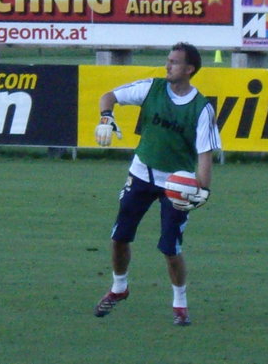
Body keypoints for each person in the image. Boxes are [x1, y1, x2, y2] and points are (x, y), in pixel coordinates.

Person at [93, 42, 221, 326]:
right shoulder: (152, 88)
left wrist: (203, 190)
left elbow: (204, 155)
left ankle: (180, 304)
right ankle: (119, 287)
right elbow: (108, 96)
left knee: (170, 247)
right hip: (141, 174)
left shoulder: (201, 109)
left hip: (176, 185)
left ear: (189, 69)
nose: (168, 65)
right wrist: (106, 116)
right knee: (119, 236)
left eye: (174, 62)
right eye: (168, 60)